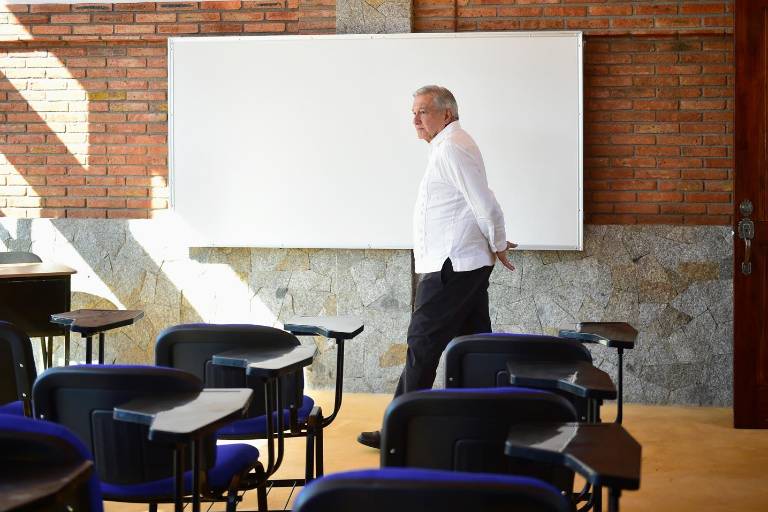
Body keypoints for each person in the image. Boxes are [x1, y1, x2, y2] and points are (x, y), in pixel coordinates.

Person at [357, 85, 516, 449]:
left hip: (452, 266)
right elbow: (476, 203)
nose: (415, 119)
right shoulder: (450, 145)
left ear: (446, 113)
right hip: (460, 263)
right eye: (413, 112)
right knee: (474, 345)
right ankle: (484, 424)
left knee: (422, 344)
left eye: (423, 111)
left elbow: (484, 202)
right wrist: (495, 241)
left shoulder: (452, 147)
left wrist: (498, 242)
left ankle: (399, 432)